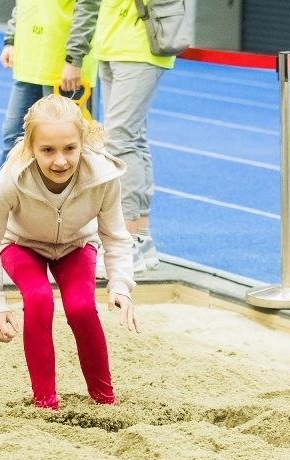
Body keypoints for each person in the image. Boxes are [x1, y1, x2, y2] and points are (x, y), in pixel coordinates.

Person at [0, 94, 140, 411]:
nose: (59, 161)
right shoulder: (12, 178)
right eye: (47, 150)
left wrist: (120, 285)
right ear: (31, 148)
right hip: (22, 245)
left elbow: (115, 236)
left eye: (69, 149)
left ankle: (105, 400)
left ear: (82, 143)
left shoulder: (102, 177)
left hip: (76, 245)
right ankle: (45, 403)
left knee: (81, 307)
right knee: (38, 298)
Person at [0, 0, 101, 237]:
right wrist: (11, 40)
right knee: (13, 139)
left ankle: (73, 223)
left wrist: (74, 58)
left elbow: (88, 6)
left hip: (63, 66)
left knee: (71, 147)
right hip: (30, 62)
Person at [92, 0, 179, 276]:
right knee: (134, 138)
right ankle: (142, 237)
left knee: (119, 140)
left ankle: (125, 241)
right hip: (109, 40)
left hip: (140, 44)